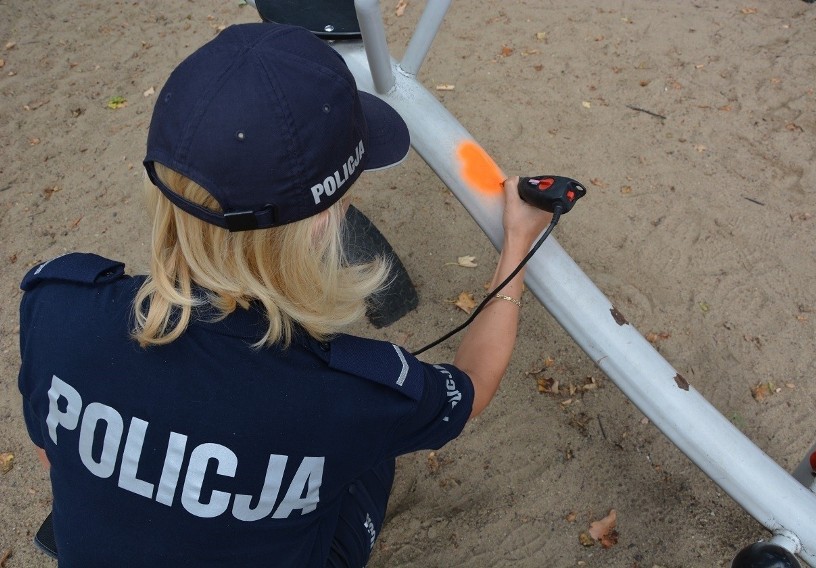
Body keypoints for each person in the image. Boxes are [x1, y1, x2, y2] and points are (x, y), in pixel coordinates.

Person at [18, 23, 553, 567]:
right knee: (371, 451)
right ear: (322, 222)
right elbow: (472, 389)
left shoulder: (59, 302)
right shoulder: (351, 392)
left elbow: (49, 451)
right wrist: (518, 243)